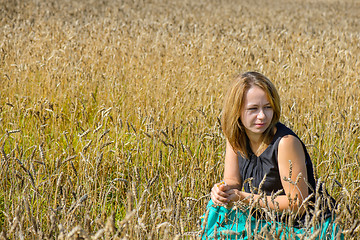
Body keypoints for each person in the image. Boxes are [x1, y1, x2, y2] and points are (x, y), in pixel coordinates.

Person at [201, 72, 342, 239]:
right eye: (253, 109)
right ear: (237, 110)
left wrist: (245, 198)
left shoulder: (285, 142)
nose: (262, 116)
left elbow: (297, 204)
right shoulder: (235, 136)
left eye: (267, 107)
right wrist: (222, 190)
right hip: (261, 216)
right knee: (216, 208)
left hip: (302, 225)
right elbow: (233, 181)